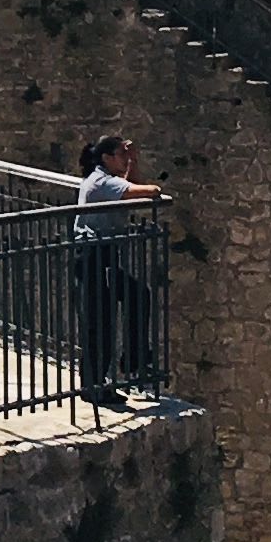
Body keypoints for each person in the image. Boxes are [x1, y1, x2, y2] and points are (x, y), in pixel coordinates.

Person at [73, 133, 163, 408]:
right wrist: (152, 187)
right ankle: (93, 385)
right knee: (99, 321)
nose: (125, 159)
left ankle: (133, 358)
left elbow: (131, 186)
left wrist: (132, 161)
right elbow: (146, 192)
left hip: (103, 255)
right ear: (106, 158)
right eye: (121, 155)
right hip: (91, 256)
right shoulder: (101, 182)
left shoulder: (108, 179)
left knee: (138, 295)